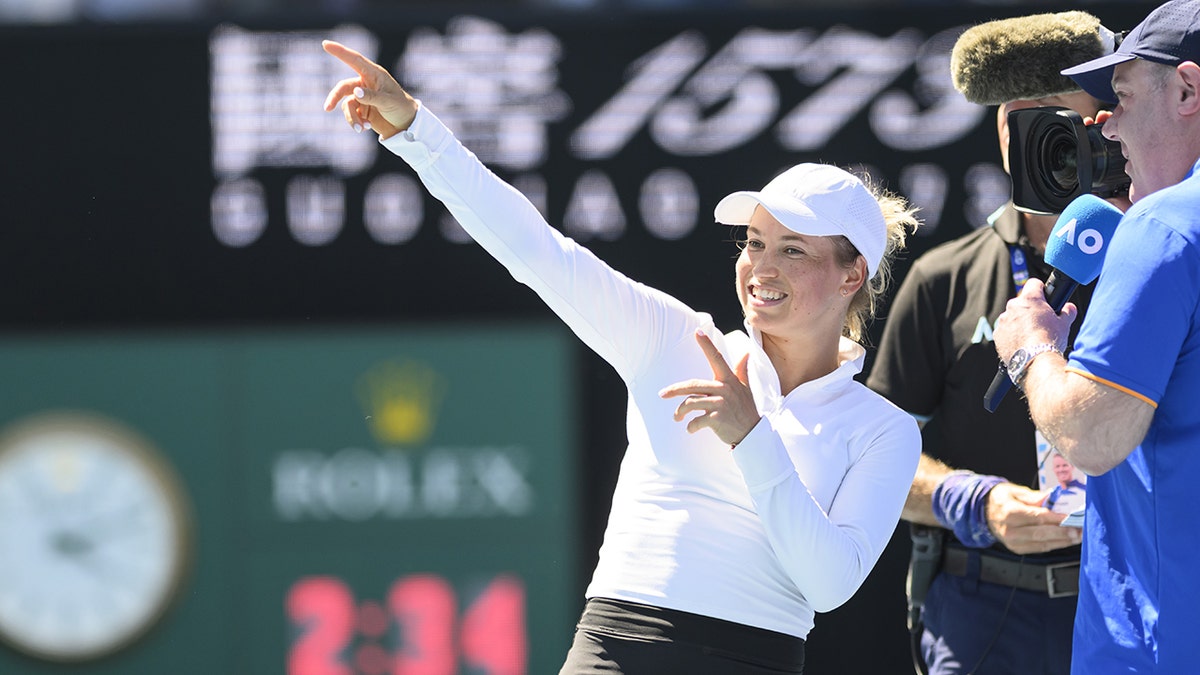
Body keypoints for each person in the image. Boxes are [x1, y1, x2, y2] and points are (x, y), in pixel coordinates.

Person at [321, 39, 921, 674]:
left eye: (792, 250)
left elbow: (829, 587)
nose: (760, 268)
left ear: (852, 276)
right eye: (753, 243)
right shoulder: (672, 336)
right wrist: (418, 131)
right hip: (616, 650)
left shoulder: (883, 430)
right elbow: (538, 252)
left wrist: (752, 438)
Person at [865, 11, 1122, 675]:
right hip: (980, 604)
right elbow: (874, 458)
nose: (1058, 149)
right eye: (1036, 126)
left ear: (1111, 129)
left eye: (1074, 128)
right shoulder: (942, 277)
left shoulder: (1160, 261)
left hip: (1130, 600)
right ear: (1006, 131)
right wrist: (977, 503)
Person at [992, 1, 1200, 672]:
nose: (1103, 123)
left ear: (1189, 91)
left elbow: (1092, 436)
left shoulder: (1165, 228)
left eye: (1125, 94)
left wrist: (1030, 346)